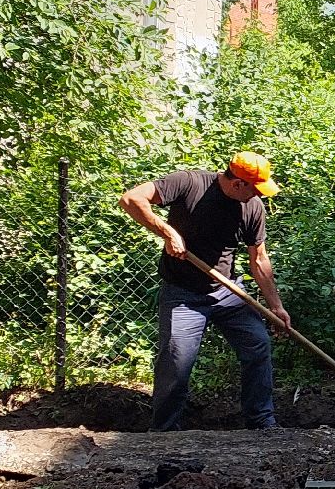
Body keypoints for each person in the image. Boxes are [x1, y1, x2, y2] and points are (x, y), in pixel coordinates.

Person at [119, 153, 290, 431]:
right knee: (176, 360)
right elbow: (131, 199)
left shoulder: (253, 207)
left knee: (257, 345)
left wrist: (275, 306)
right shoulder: (189, 183)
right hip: (183, 294)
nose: (258, 195)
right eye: (255, 189)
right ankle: (162, 431)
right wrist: (168, 233)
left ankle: (261, 423)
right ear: (237, 184)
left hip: (230, 291)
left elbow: (259, 259)